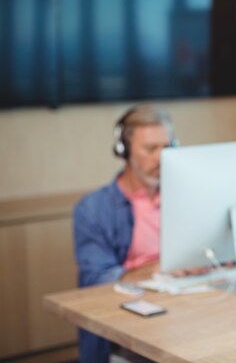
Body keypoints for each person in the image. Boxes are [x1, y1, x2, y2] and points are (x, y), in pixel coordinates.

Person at [73, 104, 193, 363]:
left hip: (185, 307)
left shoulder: (186, 197)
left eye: (167, 147)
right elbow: (97, 279)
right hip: (131, 317)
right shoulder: (93, 209)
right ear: (123, 152)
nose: (162, 157)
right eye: (151, 149)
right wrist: (158, 269)